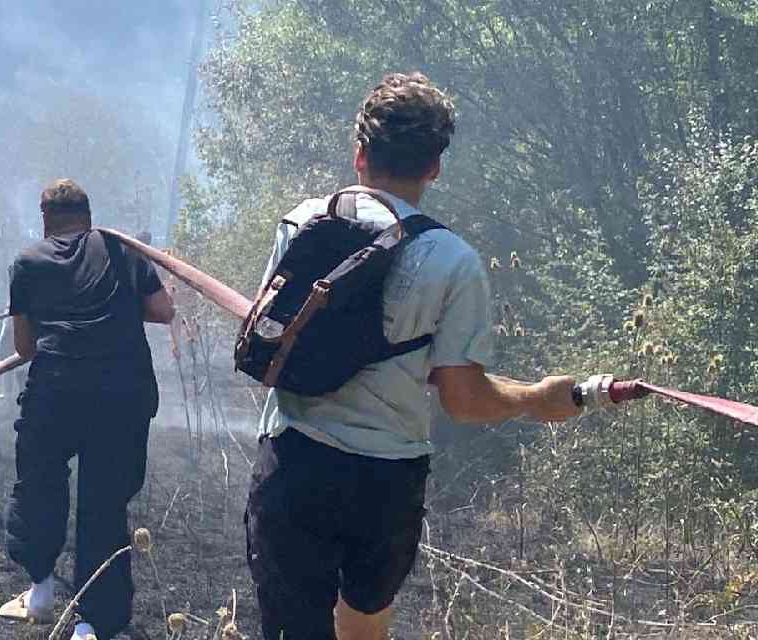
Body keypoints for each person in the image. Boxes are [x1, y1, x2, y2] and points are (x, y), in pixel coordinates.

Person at [244, 73, 582, 640]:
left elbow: (270, 337)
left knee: (291, 626)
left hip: (293, 460)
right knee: (364, 620)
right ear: (434, 167)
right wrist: (535, 398)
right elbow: (464, 400)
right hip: (385, 483)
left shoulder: (302, 222)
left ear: (359, 154)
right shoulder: (453, 261)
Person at [0, 179, 176, 640]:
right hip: (122, 394)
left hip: (55, 392)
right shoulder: (122, 251)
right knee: (104, 505)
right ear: (89, 215)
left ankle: (39, 593)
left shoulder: (28, 261)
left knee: (39, 486)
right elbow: (163, 310)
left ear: (45, 219)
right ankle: (93, 625)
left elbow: (25, 346)